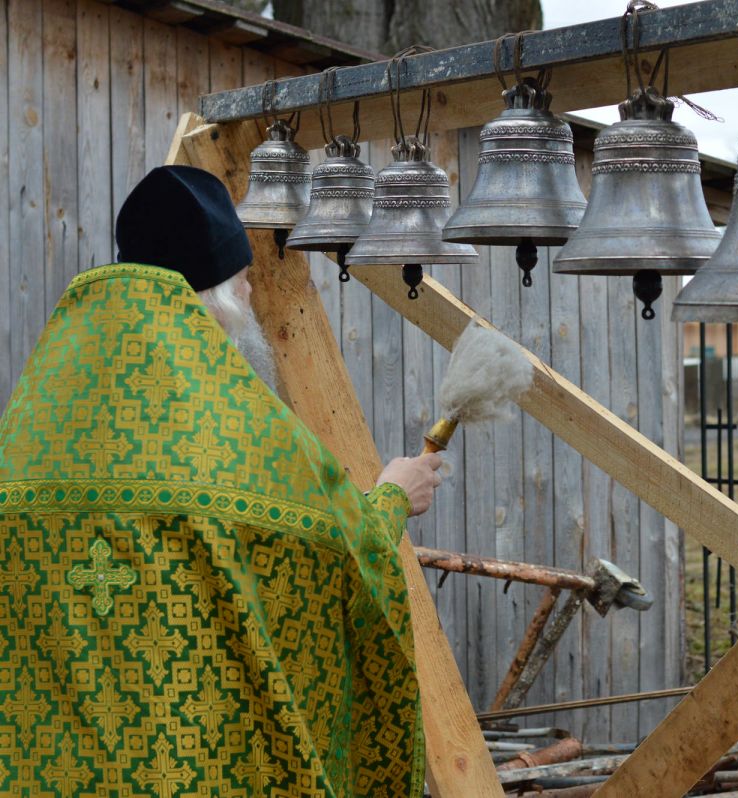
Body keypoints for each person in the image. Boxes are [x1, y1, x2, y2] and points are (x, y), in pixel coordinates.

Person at [0, 165, 439, 796]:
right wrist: (396, 494)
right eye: (245, 280)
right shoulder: (250, 441)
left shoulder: (30, 431)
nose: (257, 297)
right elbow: (341, 558)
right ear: (222, 299)